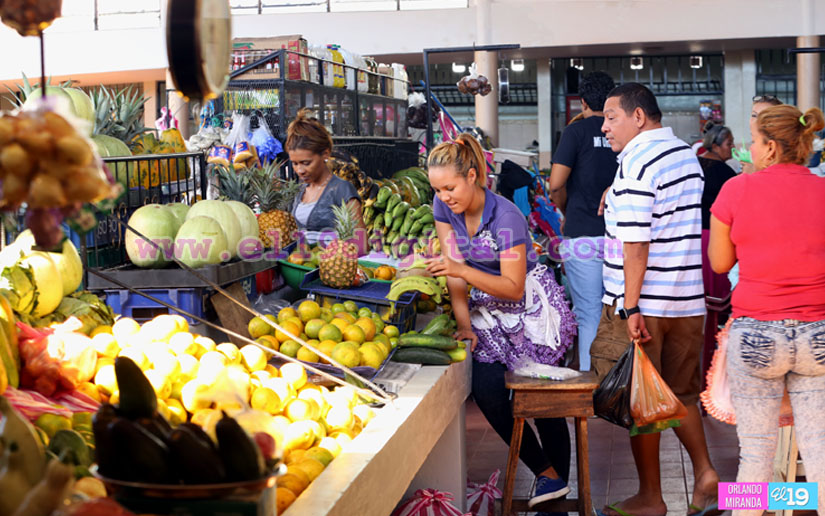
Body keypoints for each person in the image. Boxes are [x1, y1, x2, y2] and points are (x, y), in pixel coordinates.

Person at [425, 133, 577, 512]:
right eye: (437, 189)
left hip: (529, 307)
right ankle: (547, 473)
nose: (444, 197)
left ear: (473, 175)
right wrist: (464, 324)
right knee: (488, 390)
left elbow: (512, 288)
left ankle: (556, 494)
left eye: (450, 187)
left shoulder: (506, 216)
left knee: (547, 405)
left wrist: (460, 267)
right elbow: (453, 273)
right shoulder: (443, 206)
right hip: (484, 306)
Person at [593, 83, 719, 516]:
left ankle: (651, 497)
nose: (605, 127)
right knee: (681, 393)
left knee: (640, 401)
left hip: (642, 306)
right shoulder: (685, 155)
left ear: (639, 117)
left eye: (611, 117)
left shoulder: (634, 165)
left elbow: (636, 246)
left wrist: (630, 307)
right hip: (686, 300)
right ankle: (705, 473)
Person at [709, 105, 825, 516]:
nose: (748, 149)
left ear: (771, 147)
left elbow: (720, 263)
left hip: (756, 333)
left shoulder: (737, 191)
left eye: (754, 142)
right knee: (820, 454)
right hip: (817, 337)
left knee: (754, 453)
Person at [549, 71, 617, 371]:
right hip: (621, 238)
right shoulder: (623, 132)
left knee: (588, 313)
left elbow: (555, 184)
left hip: (582, 236)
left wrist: (566, 210)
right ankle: (624, 384)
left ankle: (593, 386)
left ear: (583, 101)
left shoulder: (575, 133)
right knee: (616, 312)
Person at [286, 109, 367, 251]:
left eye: (306, 163)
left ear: (325, 154)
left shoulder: (342, 189)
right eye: (295, 163)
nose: (300, 170)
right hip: (299, 265)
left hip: (332, 267)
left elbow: (361, 245)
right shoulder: (300, 190)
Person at [697, 122, 736, 326]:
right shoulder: (725, 174)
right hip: (714, 237)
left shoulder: (693, 164)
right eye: (729, 143)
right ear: (716, 145)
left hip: (691, 235)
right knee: (715, 295)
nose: (732, 148)